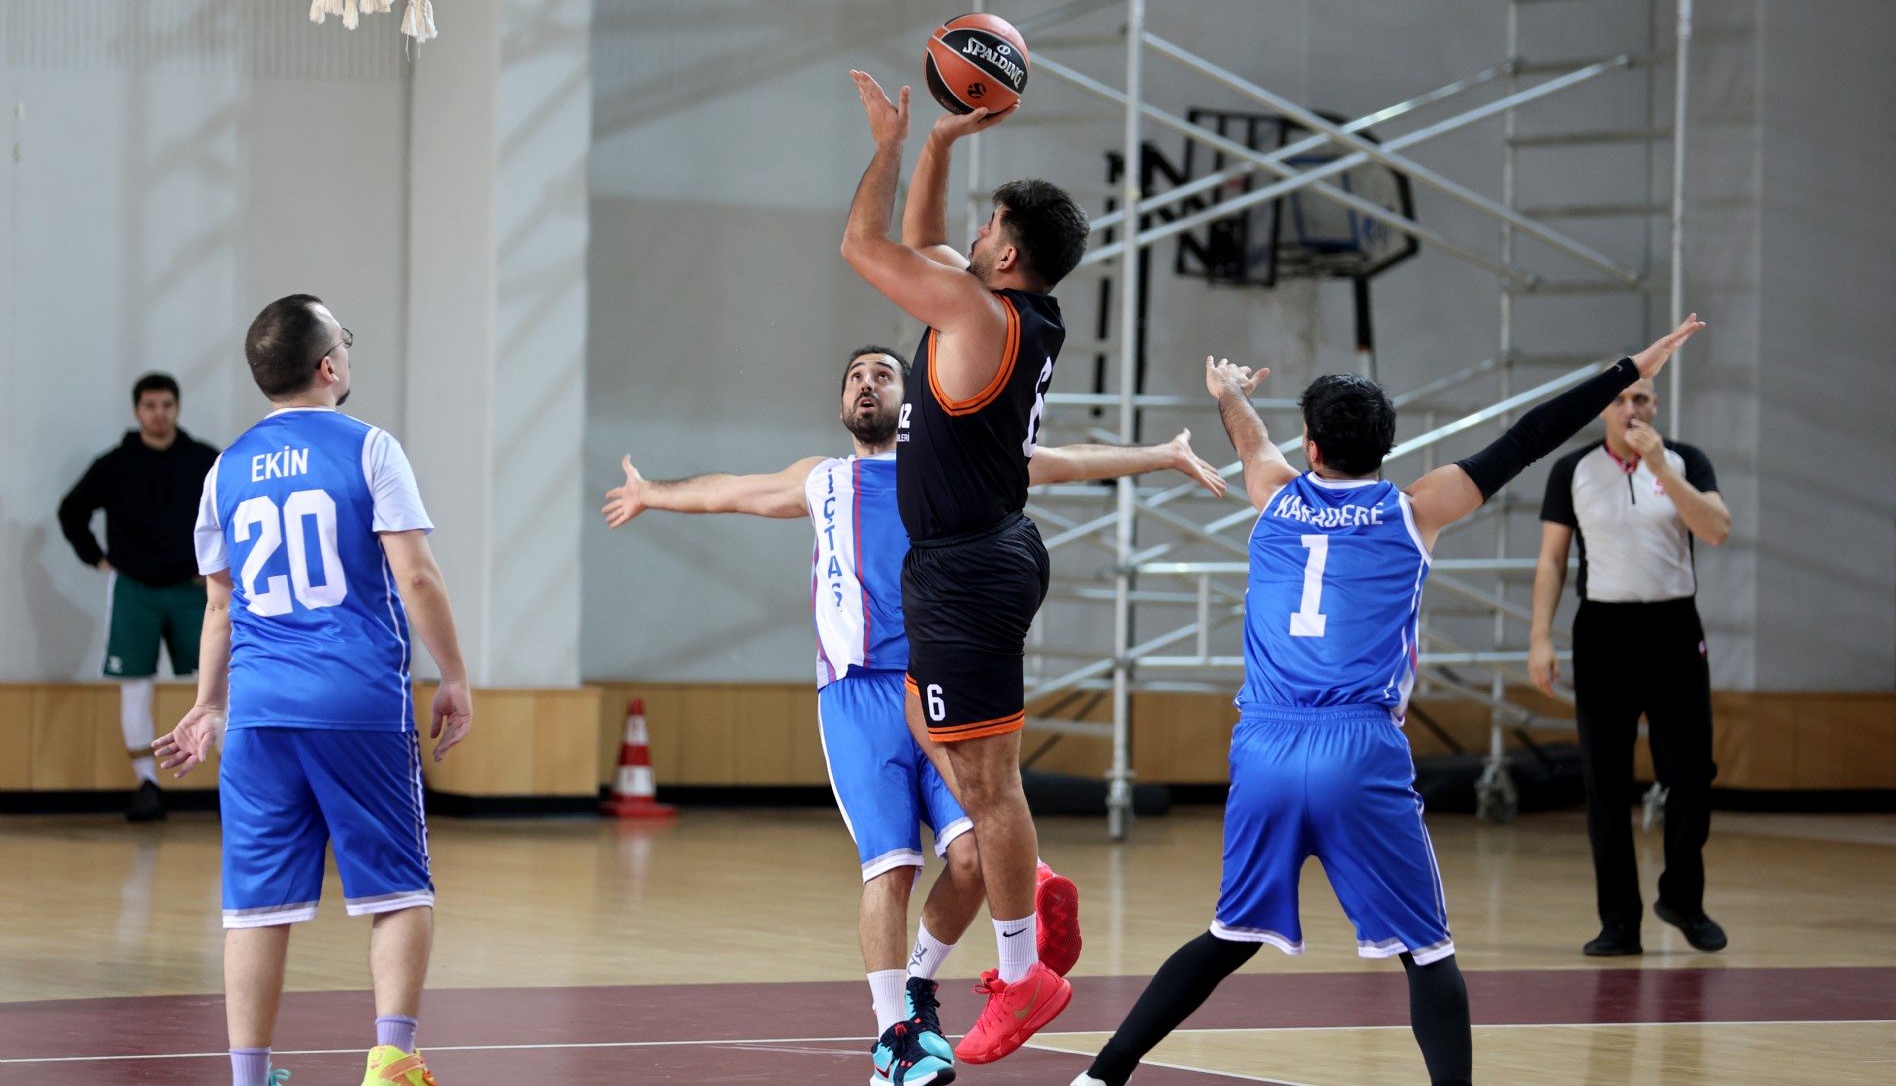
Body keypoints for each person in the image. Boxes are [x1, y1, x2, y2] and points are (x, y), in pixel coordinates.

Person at [1070, 317, 1705, 1086]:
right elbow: (1530, 437)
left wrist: (1229, 392)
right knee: (1428, 952)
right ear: (1387, 446)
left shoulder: (1274, 497)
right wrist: (1629, 368)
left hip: (1264, 745)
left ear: (1311, 447)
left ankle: (1101, 1075)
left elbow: (1250, 442)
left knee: (1228, 934)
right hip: (1357, 747)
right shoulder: (1415, 507)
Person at [603, 344, 1226, 1086]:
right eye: (855, 376)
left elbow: (1059, 463)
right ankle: (892, 1037)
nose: (867, 383)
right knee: (892, 867)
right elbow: (727, 491)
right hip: (857, 696)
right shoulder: (820, 479)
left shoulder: (949, 469)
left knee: (973, 858)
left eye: (883, 374)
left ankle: (919, 990)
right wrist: (651, 492)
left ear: (911, 401)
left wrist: (1161, 454)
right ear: (842, 403)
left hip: (937, 684)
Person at [153, 295, 473, 1086]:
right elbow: (416, 576)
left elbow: (220, 605)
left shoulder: (224, 469)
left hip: (259, 713)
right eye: (345, 341)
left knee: (255, 907)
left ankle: (249, 1075)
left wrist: (209, 705)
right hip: (358, 702)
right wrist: (455, 675)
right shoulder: (370, 449)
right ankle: (392, 1059)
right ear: (329, 365)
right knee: (398, 889)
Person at [842, 73, 1091, 1064]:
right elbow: (925, 241)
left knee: (988, 786)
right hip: (977, 555)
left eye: (988, 228)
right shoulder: (1009, 309)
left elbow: (867, 246)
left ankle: (1023, 972)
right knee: (937, 730)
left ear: (1009, 253)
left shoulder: (977, 315)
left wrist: (887, 145)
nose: (973, 236)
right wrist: (938, 144)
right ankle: (1020, 881)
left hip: (967, 568)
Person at [1528, 368, 1732, 957]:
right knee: (1606, 783)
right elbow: (1552, 560)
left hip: (1674, 630)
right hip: (1603, 633)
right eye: (1619, 399)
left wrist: (1662, 468)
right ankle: (1618, 922)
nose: (1630, 409)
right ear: (1603, 409)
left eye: (1640, 398)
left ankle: (1683, 899)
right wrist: (1540, 637)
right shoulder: (1572, 470)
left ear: (1655, 405)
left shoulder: (1687, 461)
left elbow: (1716, 530)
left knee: (1690, 775)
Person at [58, 372, 221, 821]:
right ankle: (147, 785)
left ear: (177, 408)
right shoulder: (115, 464)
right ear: (137, 411)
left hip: (193, 590)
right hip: (135, 589)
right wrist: (97, 559)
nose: (159, 414)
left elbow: (235, 512)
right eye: (150, 406)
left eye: (166, 405)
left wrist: (218, 567)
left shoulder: (204, 460)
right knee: (135, 689)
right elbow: (71, 511)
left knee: (217, 686)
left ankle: (237, 786)